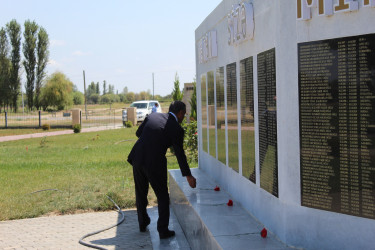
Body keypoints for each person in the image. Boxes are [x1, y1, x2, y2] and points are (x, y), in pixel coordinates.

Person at [127, 101, 197, 239]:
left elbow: (138, 133)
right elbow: (180, 154)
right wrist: (188, 176)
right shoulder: (176, 128)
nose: (183, 117)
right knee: (163, 196)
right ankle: (163, 230)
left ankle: (142, 223)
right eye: (184, 114)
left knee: (140, 192)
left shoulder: (153, 116)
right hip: (154, 163)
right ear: (181, 113)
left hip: (137, 157)